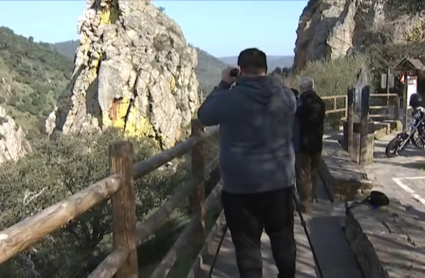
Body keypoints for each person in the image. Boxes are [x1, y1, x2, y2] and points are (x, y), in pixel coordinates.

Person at [197, 48, 297, 278]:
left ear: (239, 71)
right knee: (283, 236)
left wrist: (223, 84)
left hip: (240, 189)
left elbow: (204, 115)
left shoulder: (229, 98)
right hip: (280, 183)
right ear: (267, 69)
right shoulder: (286, 96)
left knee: (247, 246)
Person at [295, 77, 326, 213]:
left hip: (303, 143)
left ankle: (304, 204)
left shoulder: (301, 104)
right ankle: (311, 199)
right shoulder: (320, 102)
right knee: (313, 173)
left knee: (303, 174)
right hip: (317, 143)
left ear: (302, 88)